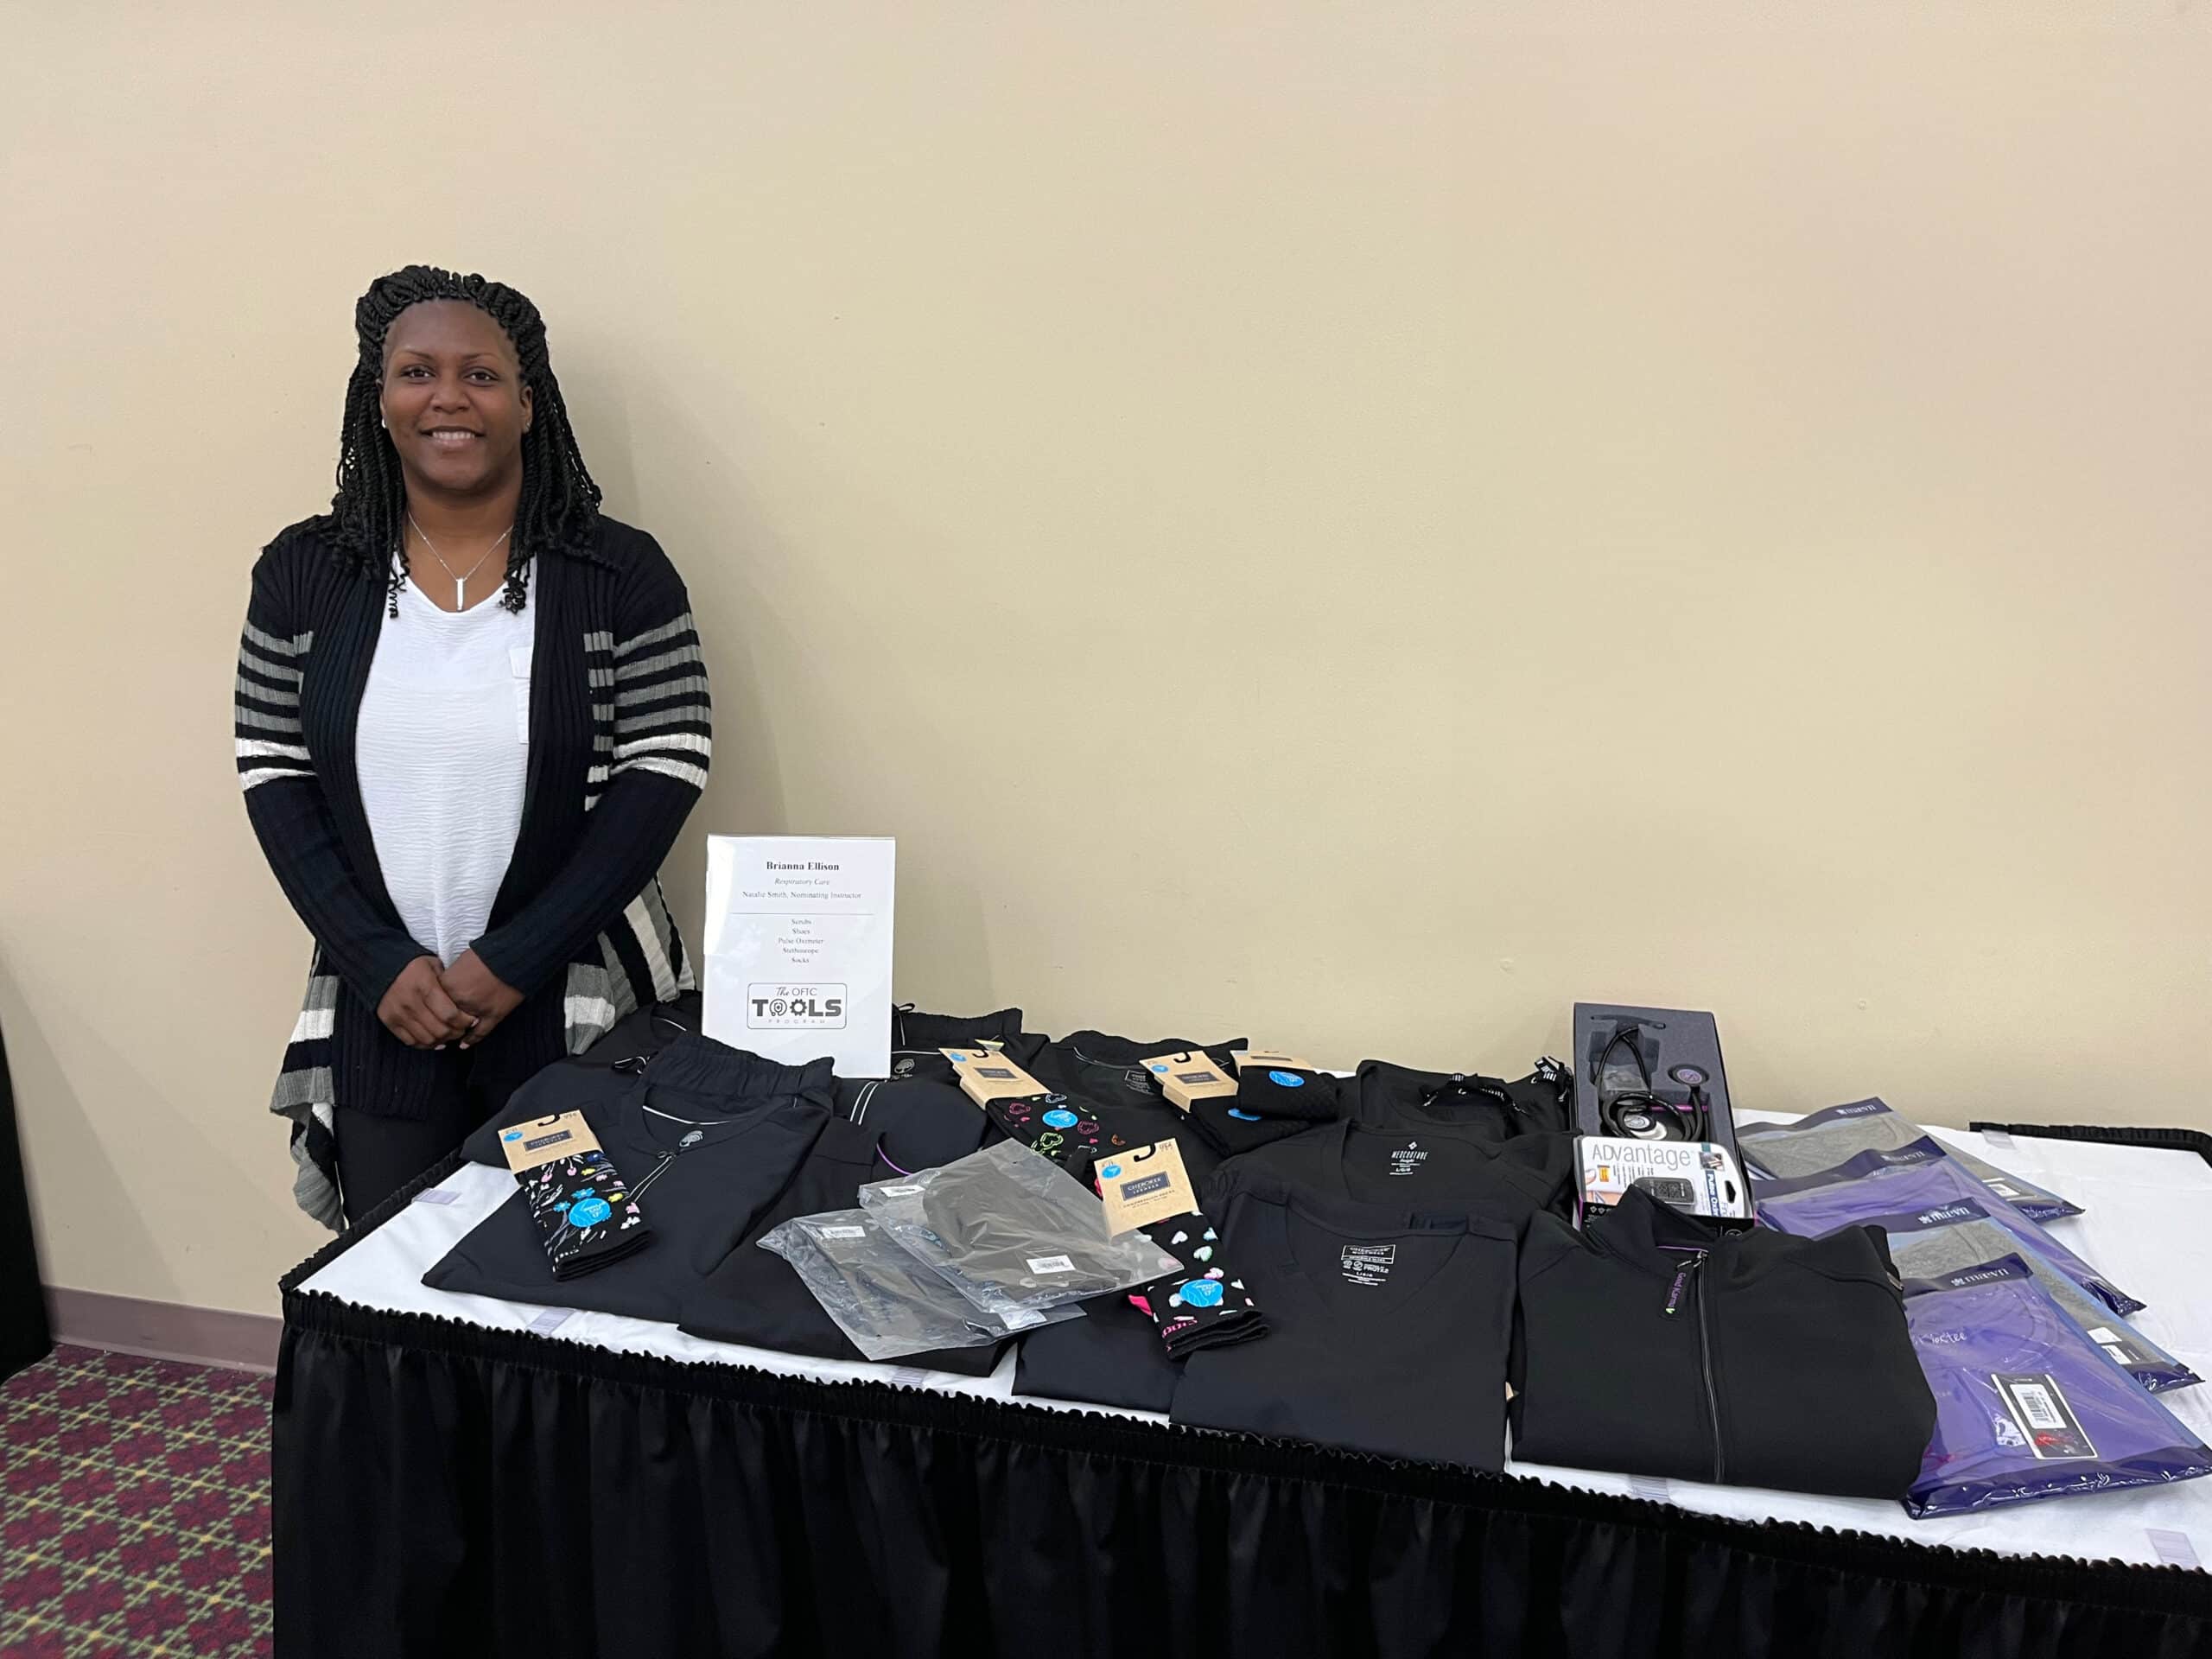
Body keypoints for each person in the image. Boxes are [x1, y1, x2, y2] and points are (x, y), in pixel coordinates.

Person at [234, 265, 711, 1227]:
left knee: (580, 1273)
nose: (448, 397)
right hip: (383, 1009)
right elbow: (274, 774)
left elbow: (665, 768)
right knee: (396, 1280)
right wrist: (379, 962)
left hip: (578, 1003)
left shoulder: (619, 571)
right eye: (416, 372)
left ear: (529, 404)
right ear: (379, 402)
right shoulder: (304, 571)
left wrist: (513, 959)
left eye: (481, 375)